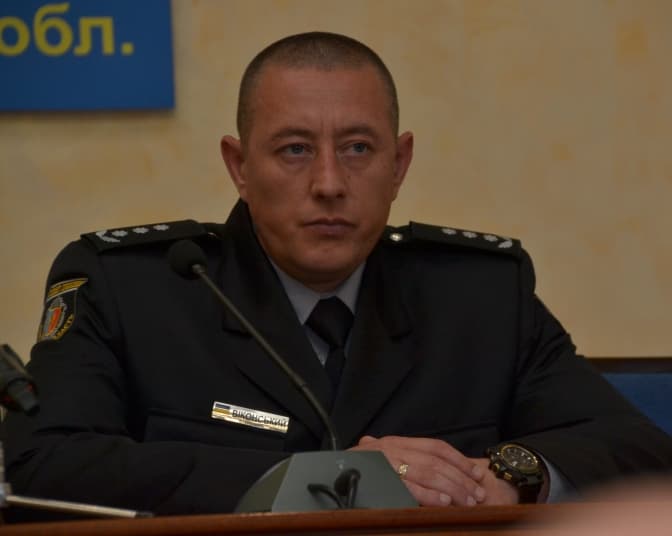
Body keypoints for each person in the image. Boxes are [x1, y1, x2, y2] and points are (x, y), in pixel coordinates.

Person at [4, 31, 672, 517]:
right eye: (295, 150)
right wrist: (317, 478)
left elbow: (638, 449)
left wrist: (509, 473)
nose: (329, 183)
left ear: (399, 164)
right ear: (239, 166)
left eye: (357, 148)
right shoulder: (133, 289)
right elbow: (43, 461)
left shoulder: (480, 297)